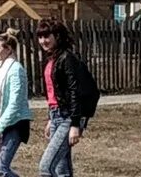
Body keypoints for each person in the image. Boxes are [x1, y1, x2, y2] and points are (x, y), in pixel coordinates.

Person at [36, 19, 98, 177]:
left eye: (47, 36)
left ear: (57, 36)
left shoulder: (67, 58)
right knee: (61, 170)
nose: (43, 41)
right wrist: (51, 118)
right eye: (40, 37)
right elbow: (54, 93)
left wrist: (76, 124)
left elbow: (73, 91)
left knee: (46, 167)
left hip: (68, 117)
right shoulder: (51, 59)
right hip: (56, 115)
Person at [0, 28, 32, 177]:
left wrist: (0, 126)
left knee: (0, 168)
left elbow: (15, 103)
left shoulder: (16, 69)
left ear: (8, 48)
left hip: (15, 124)